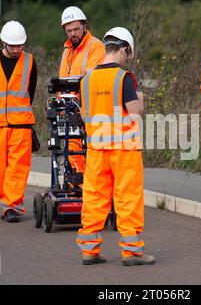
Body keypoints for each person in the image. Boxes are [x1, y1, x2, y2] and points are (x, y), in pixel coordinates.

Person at [76, 27, 155, 266]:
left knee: (94, 198)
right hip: (123, 150)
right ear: (123, 49)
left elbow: (83, 116)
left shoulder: (86, 80)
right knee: (127, 198)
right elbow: (134, 113)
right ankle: (131, 252)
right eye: (127, 54)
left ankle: (90, 251)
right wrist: (141, 100)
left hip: (97, 150)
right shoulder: (124, 78)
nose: (126, 59)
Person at [0, 21, 37, 223]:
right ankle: (6, 200)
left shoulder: (30, 61)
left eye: (20, 46)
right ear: (3, 42)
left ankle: (11, 206)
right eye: (13, 46)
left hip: (21, 125)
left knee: (18, 167)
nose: (17, 50)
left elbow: (29, 93)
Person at [59, 6, 106, 175]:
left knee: (91, 152)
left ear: (84, 26)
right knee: (71, 150)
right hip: (68, 110)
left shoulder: (96, 46)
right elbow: (63, 80)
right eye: (69, 30)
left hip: (89, 110)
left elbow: (92, 79)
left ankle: (90, 189)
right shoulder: (67, 50)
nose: (73, 34)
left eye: (76, 29)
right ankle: (77, 185)